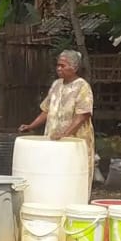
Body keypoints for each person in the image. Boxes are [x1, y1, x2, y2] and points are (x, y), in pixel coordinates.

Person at [19, 49, 99, 179]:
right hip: (54, 139)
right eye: (58, 65)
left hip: (74, 141)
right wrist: (31, 126)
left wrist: (65, 135)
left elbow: (82, 116)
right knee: (53, 174)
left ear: (74, 68)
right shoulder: (56, 85)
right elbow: (47, 110)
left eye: (63, 65)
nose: (59, 69)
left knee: (72, 175)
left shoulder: (82, 86)